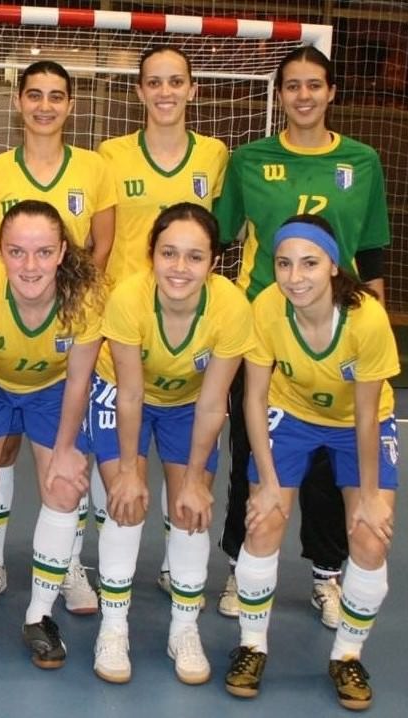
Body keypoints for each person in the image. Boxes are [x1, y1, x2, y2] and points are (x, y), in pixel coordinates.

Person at [214, 45, 391, 626]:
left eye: (314, 84)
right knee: (251, 453)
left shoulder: (362, 161)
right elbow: (218, 237)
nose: (304, 95)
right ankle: (242, 565)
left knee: (327, 464)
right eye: (293, 85)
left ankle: (326, 574)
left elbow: (371, 253)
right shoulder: (249, 159)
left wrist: (374, 325)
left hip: (336, 328)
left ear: (331, 91)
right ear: (280, 94)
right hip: (264, 329)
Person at [224, 215, 399, 711]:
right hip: (292, 414)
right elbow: (254, 398)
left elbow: (366, 416)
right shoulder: (267, 307)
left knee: (369, 535)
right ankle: (252, 646)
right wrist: (267, 482)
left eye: (309, 264)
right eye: (284, 264)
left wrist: (369, 497)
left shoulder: (367, 318)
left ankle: (347, 656)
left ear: (334, 266)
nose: (295, 277)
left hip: (357, 422)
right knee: (263, 521)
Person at [0, 60, 115, 616]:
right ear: (17, 101)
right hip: (4, 338)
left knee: (66, 467)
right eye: (34, 94)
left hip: (65, 329)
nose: (44, 105)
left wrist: (61, 298)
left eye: (55, 95)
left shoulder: (95, 168)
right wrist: (10, 296)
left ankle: (66, 563)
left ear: (71, 104)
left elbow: (101, 247)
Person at [92, 203, 253, 685]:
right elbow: (131, 394)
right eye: (169, 253)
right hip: (124, 393)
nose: (180, 267)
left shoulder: (231, 308)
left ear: (213, 262)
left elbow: (213, 403)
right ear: (152, 255)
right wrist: (127, 470)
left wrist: (197, 480)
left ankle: (184, 630)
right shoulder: (128, 298)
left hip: (189, 404)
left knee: (189, 508)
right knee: (126, 501)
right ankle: (113, 628)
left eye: (194, 256)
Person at [0, 199, 102, 668]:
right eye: (16, 252)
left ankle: (40, 616)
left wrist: (67, 448)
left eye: (43, 252)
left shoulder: (86, 297)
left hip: (52, 390)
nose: (30, 266)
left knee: (64, 485)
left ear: (62, 253)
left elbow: (79, 380)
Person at [97, 45, 229, 597]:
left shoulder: (216, 155)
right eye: (154, 82)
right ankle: (101, 578)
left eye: (177, 81)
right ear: (139, 91)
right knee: (116, 480)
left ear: (193, 89)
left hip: (186, 336)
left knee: (187, 483)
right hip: (126, 331)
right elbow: (101, 240)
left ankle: (182, 572)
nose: (166, 92)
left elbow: (222, 234)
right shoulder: (110, 155)